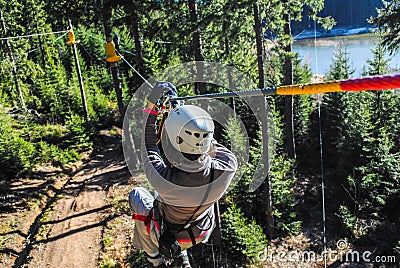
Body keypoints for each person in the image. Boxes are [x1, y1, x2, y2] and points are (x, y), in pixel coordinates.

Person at [129, 82, 237, 267]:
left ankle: (154, 259)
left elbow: (149, 145)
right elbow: (209, 143)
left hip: (170, 229)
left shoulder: (163, 180)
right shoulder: (227, 167)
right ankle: (181, 255)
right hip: (201, 230)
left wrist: (151, 109)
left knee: (136, 195)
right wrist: (181, 117)